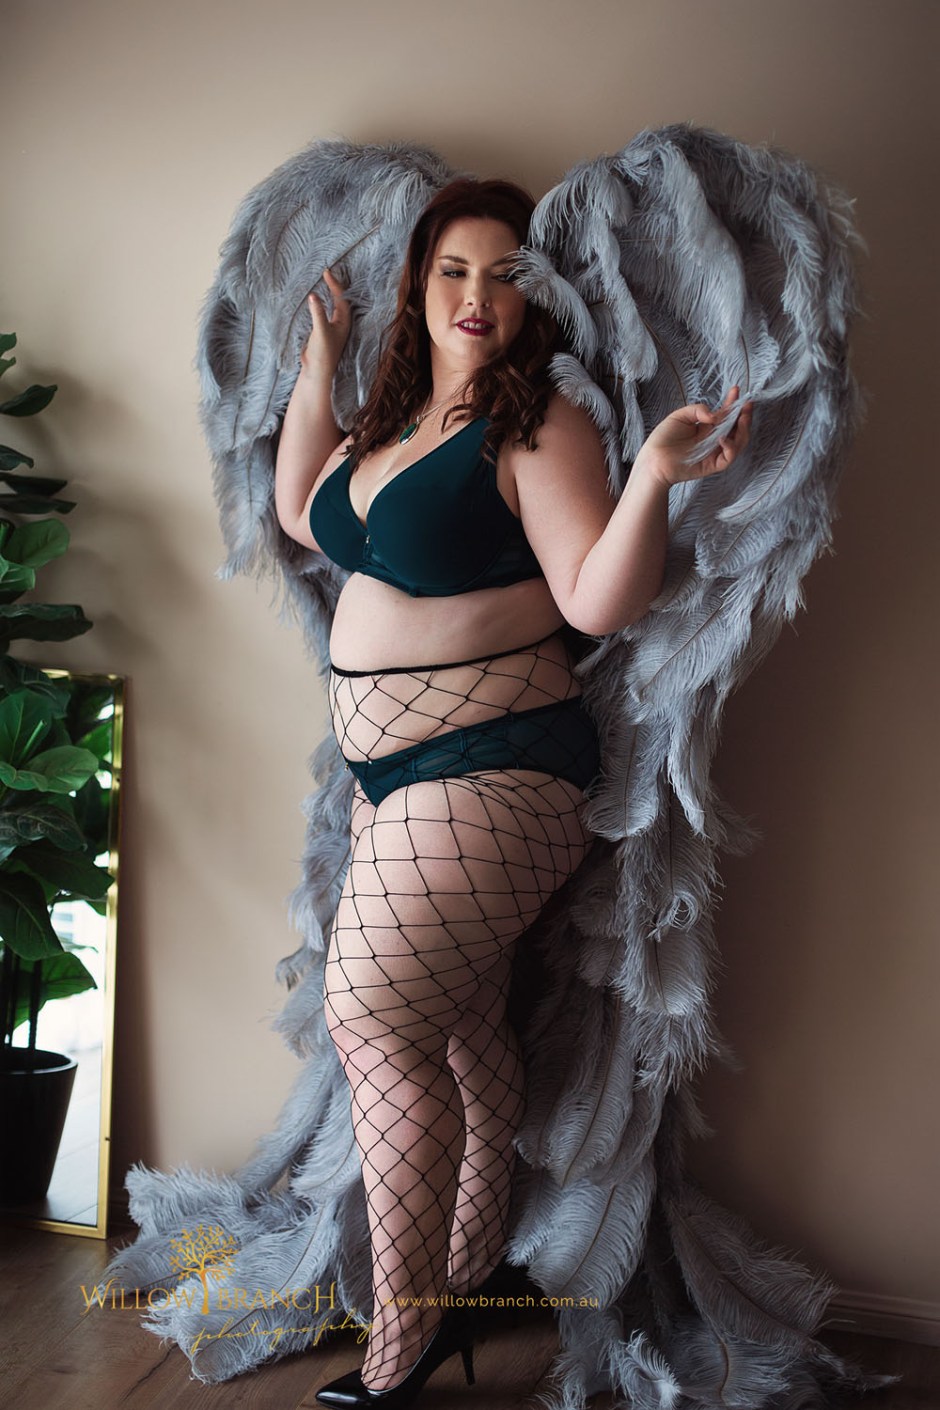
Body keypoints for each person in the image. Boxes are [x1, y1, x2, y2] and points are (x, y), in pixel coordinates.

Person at [274, 177, 752, 1409]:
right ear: (418, 287)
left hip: (496, 762)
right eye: (453, 270)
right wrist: (319, 363)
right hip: (390, 778)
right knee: (455, 1025)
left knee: (373, 1020)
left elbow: (596, 598)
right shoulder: (387, 426)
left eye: (504, 273)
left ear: (535, 296)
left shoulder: (536, 423)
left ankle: (404, 1341)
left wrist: (653, 479)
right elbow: (301, 514)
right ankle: (472, 1275)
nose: (477, 295)